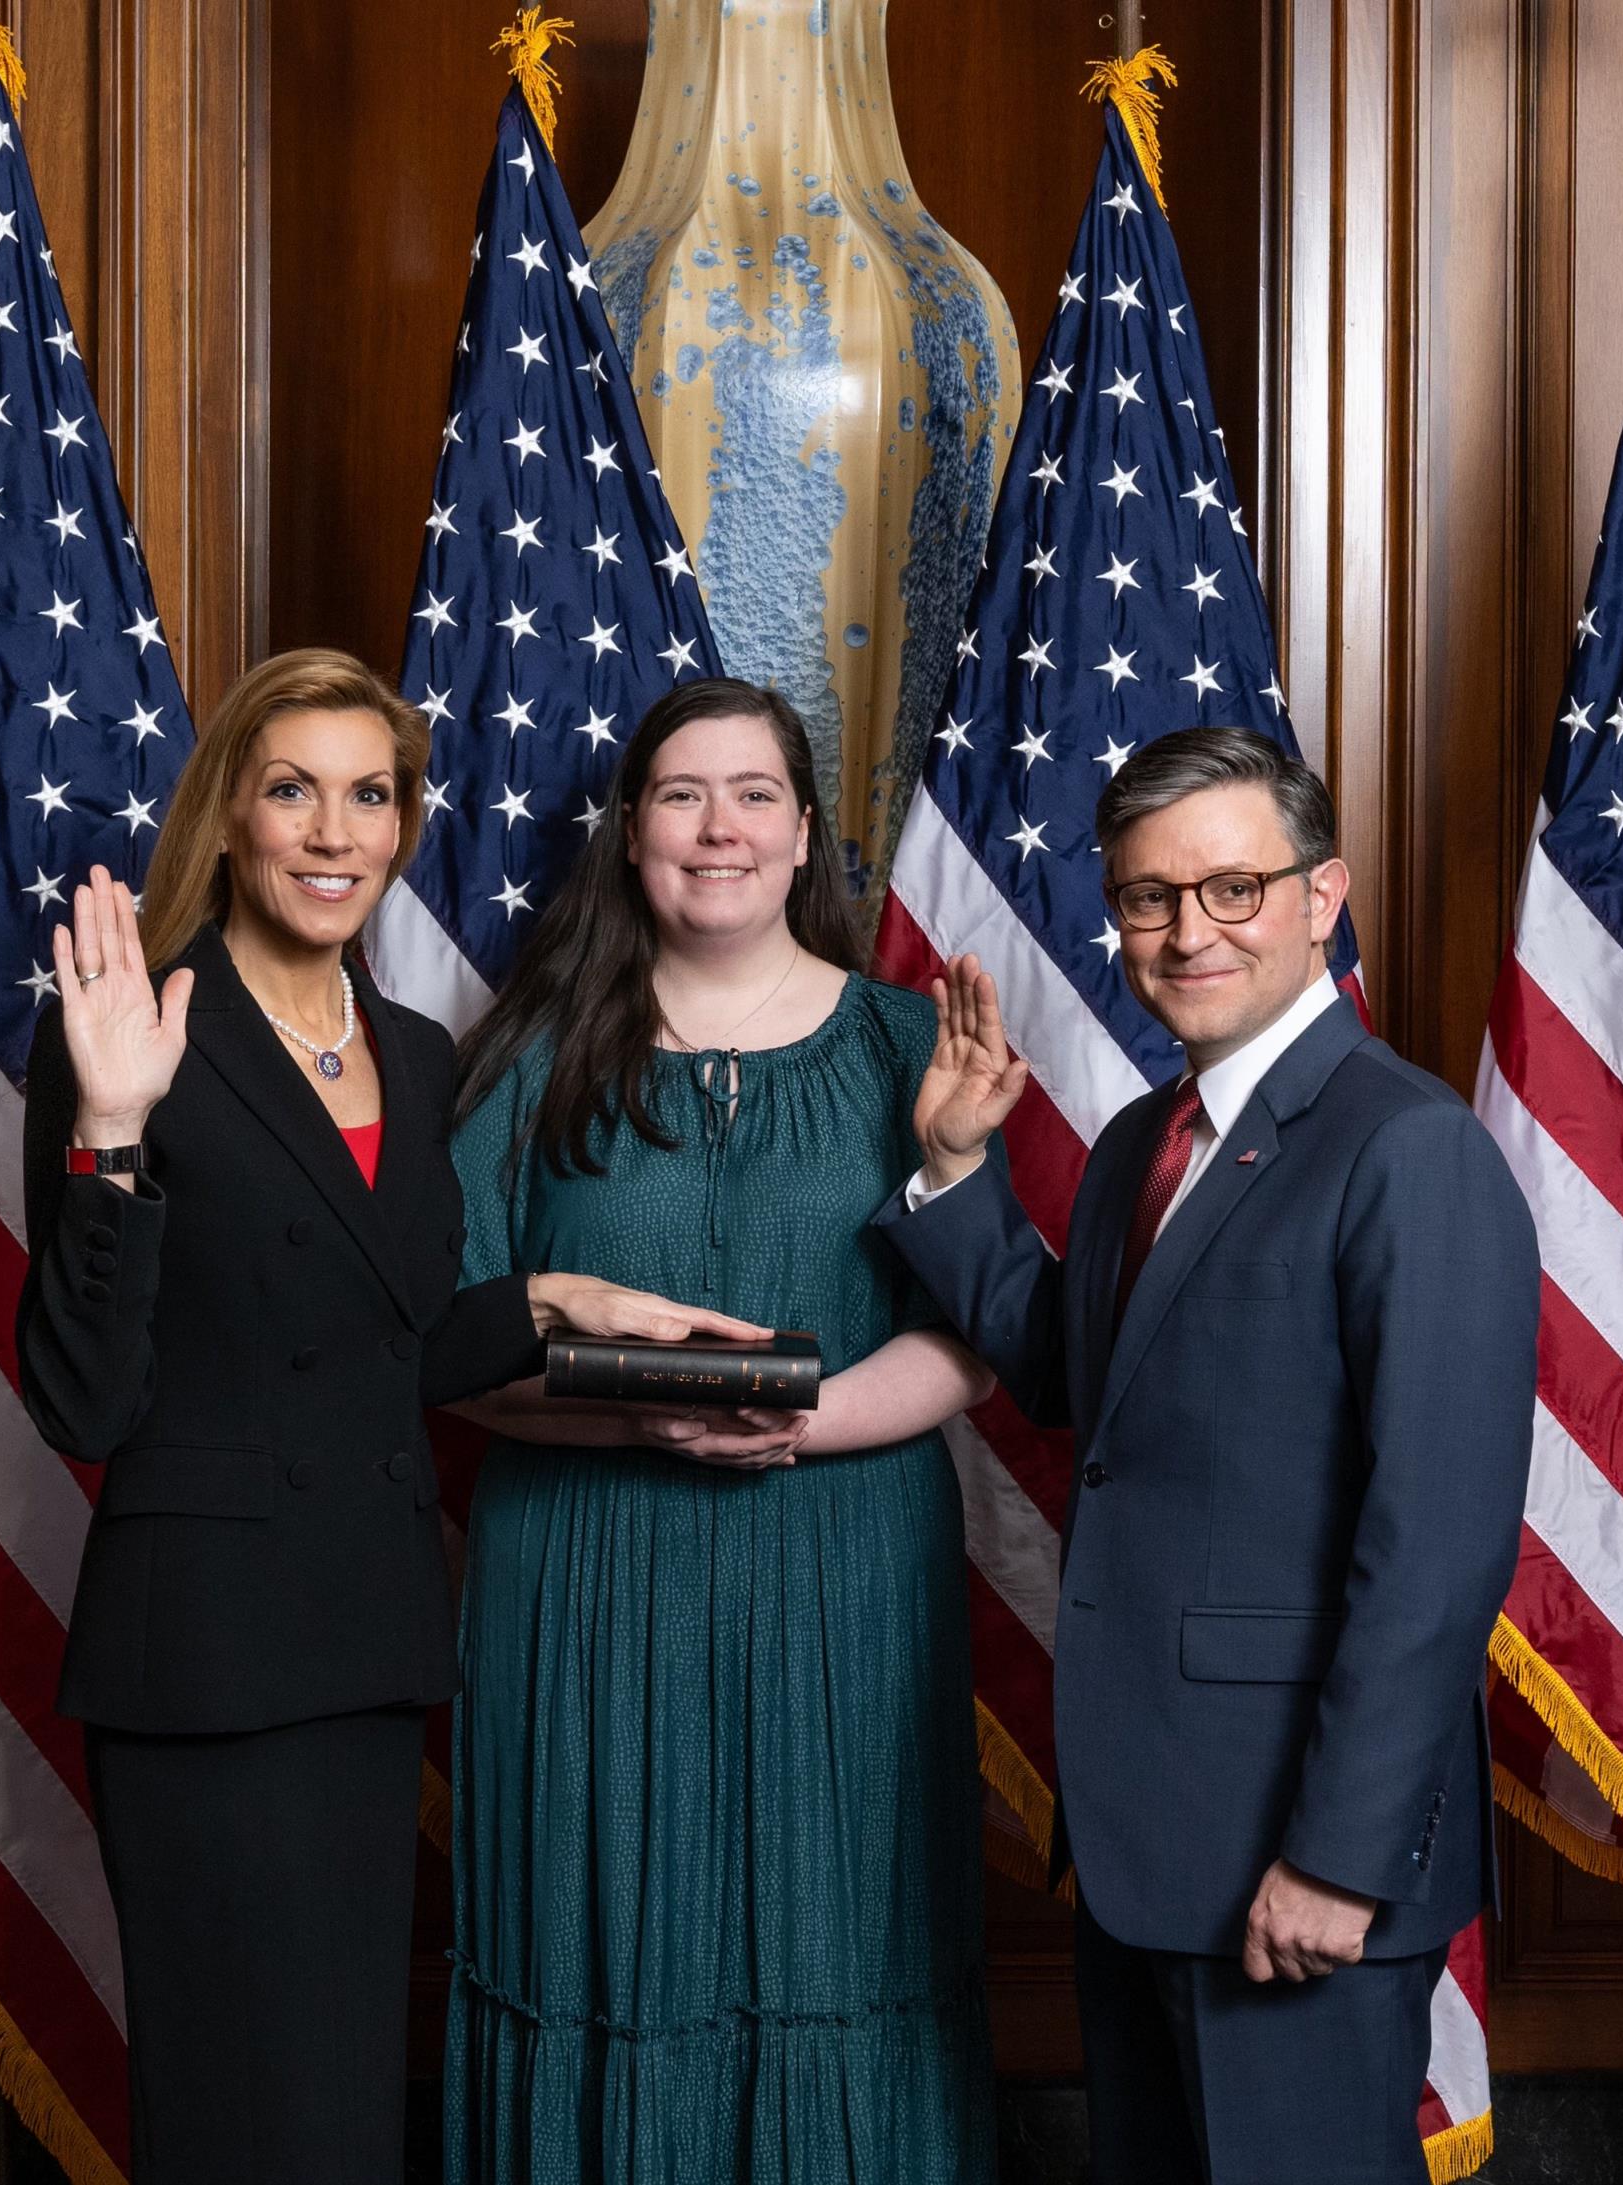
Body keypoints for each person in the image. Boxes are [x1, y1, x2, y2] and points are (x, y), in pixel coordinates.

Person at [13, 647, 755, 2184]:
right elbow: (82, 1397)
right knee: (240, 2120)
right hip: (205, 1659)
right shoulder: (128, 1033)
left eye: (371, 794)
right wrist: (107, 1128)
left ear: (406, 825)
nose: (334, 831)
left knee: (342, 2107)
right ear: (227, 816)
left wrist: (563, 1299)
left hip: (363, 1639)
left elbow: (390, 1342)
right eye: (292, 789)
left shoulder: (414, 1057)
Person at [876, 727, 1539, 2185]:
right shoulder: (1137, 1144)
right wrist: (952, 1170)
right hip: (1145, 1841)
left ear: (1323, 896)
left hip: (1296, 1852)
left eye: (1233, 888)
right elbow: (1071, 1381)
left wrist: (1338, 1856)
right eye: (1149, 898)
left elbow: (1433, 1547)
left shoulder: (1404, 1149)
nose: (1190, 932)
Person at [440, 678, 1002, 2185]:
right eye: (682, 793)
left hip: (845, 1582)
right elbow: (449, 1342)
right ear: (631, 834)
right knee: (603, 1935)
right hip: (588, 1575)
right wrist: (640, 1418)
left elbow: (976, 1339)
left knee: (845, 1936)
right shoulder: (529, 1052)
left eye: (753, 792)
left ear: (806, 828)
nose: (718, 827)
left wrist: (786, 1430)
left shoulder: (909, 1048)